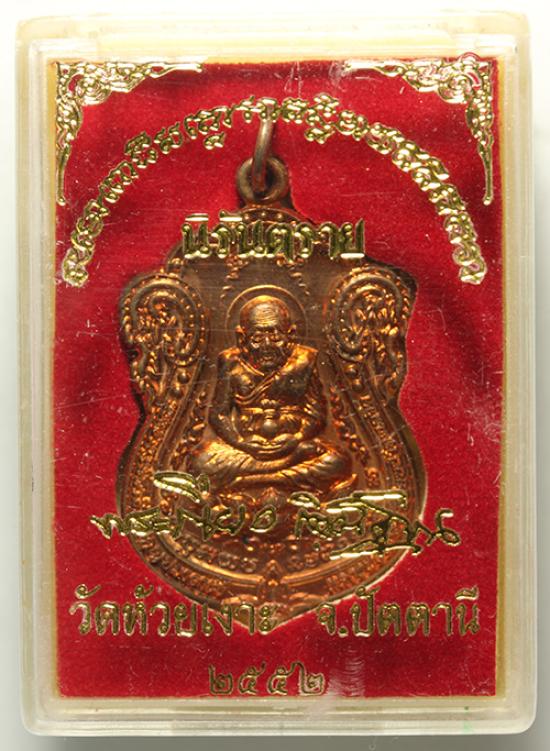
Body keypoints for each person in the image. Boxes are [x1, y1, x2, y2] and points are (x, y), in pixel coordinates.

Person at [188, 294, 352, 494]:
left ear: (291, 335)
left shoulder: (304, 361)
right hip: (248, 449)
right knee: (201, 459)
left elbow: (317, 415)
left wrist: (297, 437)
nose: (267, 345)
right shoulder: (231, 363)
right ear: (242, 338)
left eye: (275, 337)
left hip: (293, 447)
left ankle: (253, 481)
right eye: (257, 338)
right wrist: (241, 442)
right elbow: (218, 414)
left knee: (338, 460)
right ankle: (281, 476)